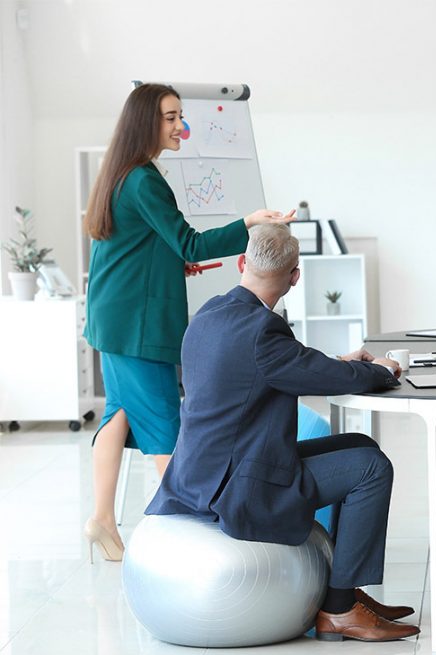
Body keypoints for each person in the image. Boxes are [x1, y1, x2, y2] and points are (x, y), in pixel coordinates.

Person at [146, 224, 420, 642]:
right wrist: (380, 371)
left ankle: (346, 591)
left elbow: (282, 366)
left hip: (201, 475)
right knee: (372, 467)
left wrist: (341, 362)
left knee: (361, 446)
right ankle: (341, 610)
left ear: (242, 263)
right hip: (238, 487)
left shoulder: (210, 314)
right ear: (295, 277)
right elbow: (307, 368)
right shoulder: (263, 330)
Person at [82, 83, 294, 562]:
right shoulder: (142, 179)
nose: (182, 126)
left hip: (113, 317)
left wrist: (171, 263)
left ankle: (100, 518)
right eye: (172, 117)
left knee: (118, 412)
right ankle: (196, 535)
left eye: (180, 115)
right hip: (136, 324)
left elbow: (138, 245)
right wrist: (250, 223)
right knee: (163, 427)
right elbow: (191, 242)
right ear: (146, 123)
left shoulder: (122, 175)